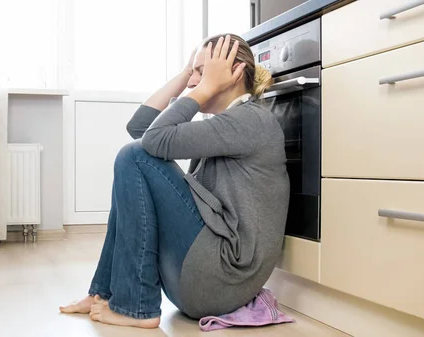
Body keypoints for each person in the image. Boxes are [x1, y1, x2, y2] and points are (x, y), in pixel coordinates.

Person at [60, 33, 290, 329]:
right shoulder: (225, 124)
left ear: (232, 73)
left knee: (135, 157)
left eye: (201, 71)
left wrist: (205, 86)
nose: (194, 80)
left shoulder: (251, 121)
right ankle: (104, 293)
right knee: (136, 158)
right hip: (204, 279)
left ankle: (136, 308)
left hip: (221, 279)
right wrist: (186, 76)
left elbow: (150, 142)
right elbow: (140, 128)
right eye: (193, 72)